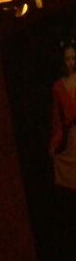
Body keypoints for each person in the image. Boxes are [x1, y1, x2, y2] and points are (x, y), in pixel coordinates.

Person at [50, 40, 76, 190]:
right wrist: (54, 144)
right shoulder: (58, 87)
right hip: (73, 134)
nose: (71, 63)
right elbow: (57, 119)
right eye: (67, 59)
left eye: (73, 58)